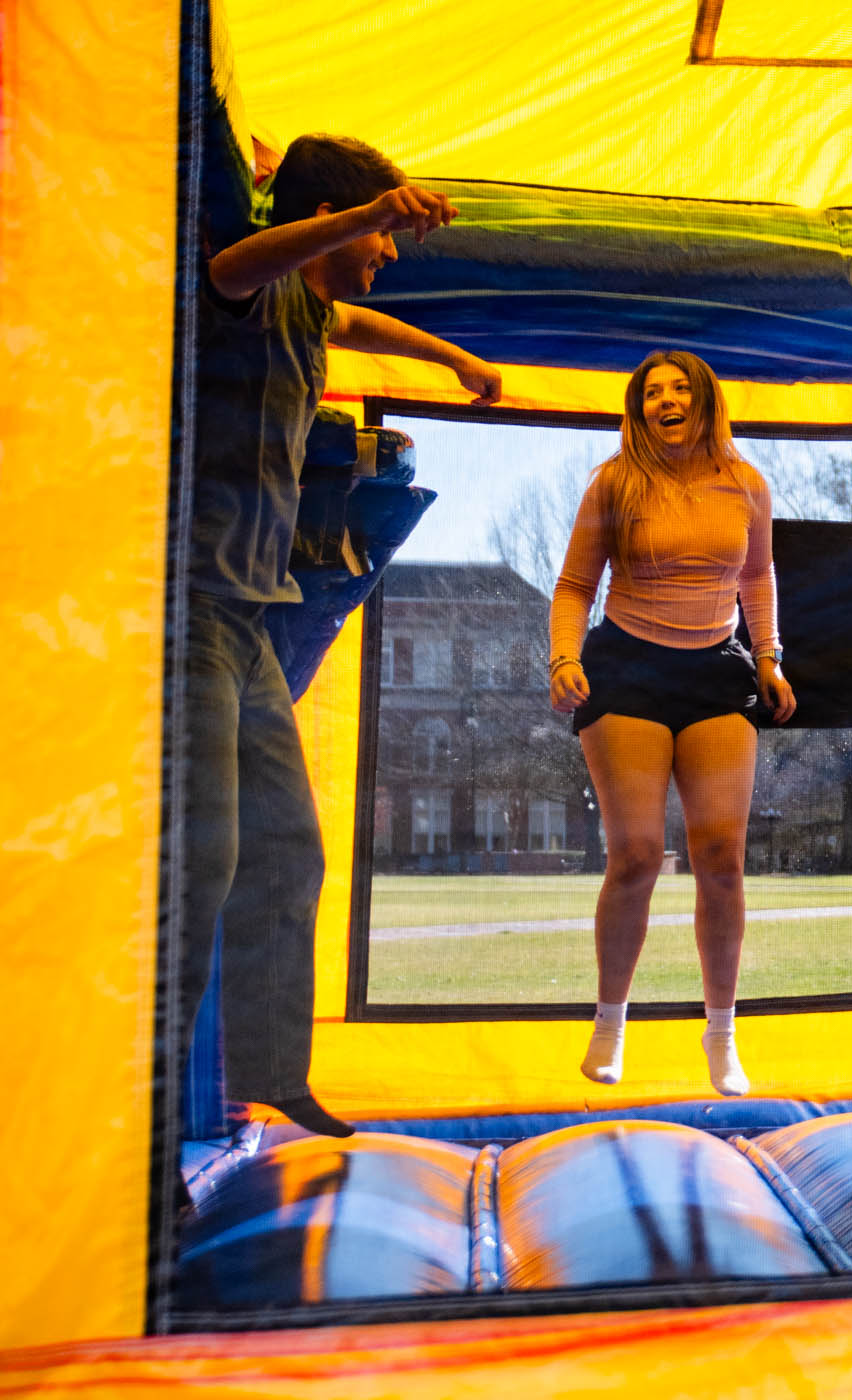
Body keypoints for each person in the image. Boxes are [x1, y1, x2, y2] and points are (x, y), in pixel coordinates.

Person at [184, 134, 502, 1140]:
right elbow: (231, 265)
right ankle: (149, 1123)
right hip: (185, 610)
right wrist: (368, 213)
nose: (389, 254)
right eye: (378, 233)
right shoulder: (251, 285)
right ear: (332, 222)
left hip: (250, 616)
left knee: (288, 850)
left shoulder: (316, 311)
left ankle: (271, 1074)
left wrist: (452, 358)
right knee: (198, 863)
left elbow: (360, 313)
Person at [549, 350, 794, 1094]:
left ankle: (721, 1035)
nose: (665, 400)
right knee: (638, 853)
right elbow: (573, 585)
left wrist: (769, 659)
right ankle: (610, 1025)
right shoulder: (614, 484)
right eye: (651, 392)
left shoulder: (745, 483)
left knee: (721, 854)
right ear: (638, 409)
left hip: (715, 668)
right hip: (627, 669)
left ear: (704, 400)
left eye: (678, 388)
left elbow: (756, 576)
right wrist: (563, 661)